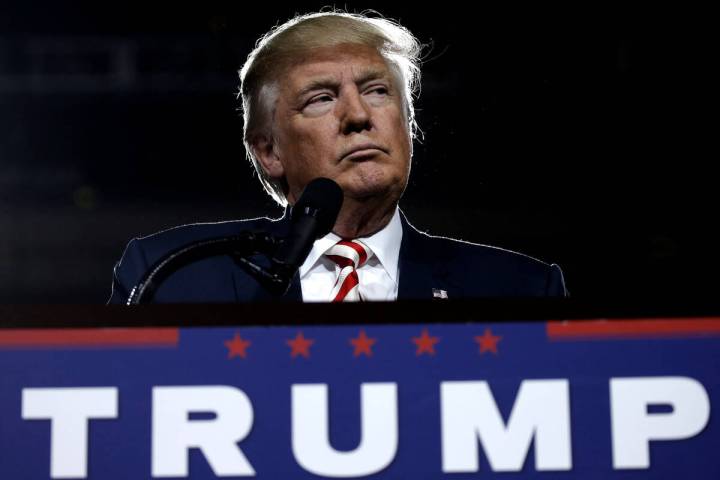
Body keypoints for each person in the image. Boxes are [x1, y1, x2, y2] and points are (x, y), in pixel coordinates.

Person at [109, 11, 567, 304]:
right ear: (268, 151)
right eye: (322, 98)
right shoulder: (174, 276)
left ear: (408, 126)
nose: (358, 115)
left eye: (377, 91)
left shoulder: (518, 289)